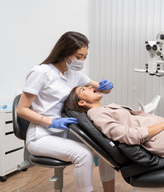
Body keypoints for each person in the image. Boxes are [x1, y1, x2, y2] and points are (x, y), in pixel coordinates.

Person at [17, 31, 115, 192]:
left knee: (104, 148)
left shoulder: (74, 75)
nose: (82, 61)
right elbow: (21, 110)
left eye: (85, 57)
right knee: (83, 155)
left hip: (65, 131)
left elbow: (102, 90)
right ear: (64, 52)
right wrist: (52, 121)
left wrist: (108, 86)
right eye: (78, 56)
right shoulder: (41, 72)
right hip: (41, 135)